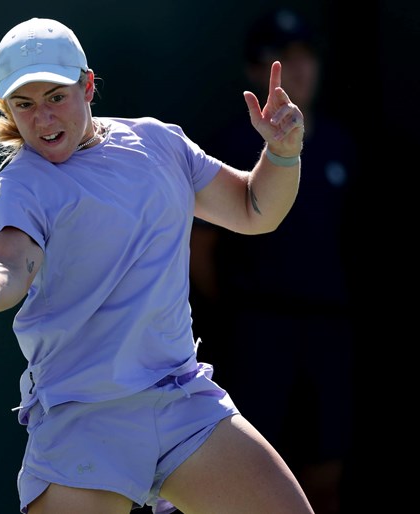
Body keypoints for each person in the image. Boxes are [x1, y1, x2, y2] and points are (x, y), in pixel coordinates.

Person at [0, 17, 313, 514]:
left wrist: (282, 154)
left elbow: (253, 208)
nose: (43, 120)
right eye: (24, 105)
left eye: (56, 97)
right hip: (85, 420)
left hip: (183, 402)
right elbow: (9, 263)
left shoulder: (159, 144)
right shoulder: (20, 186)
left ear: (88, 85)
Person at [189, 9, 357, 514]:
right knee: (257, 478)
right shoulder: (225, 146)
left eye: (306, 58)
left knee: (326, 471)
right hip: (257, 333)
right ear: (253, 72)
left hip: (329, 333)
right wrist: (235, 314)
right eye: (281, 61)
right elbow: (201, 248)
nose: (298, 71)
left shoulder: (343, 145)